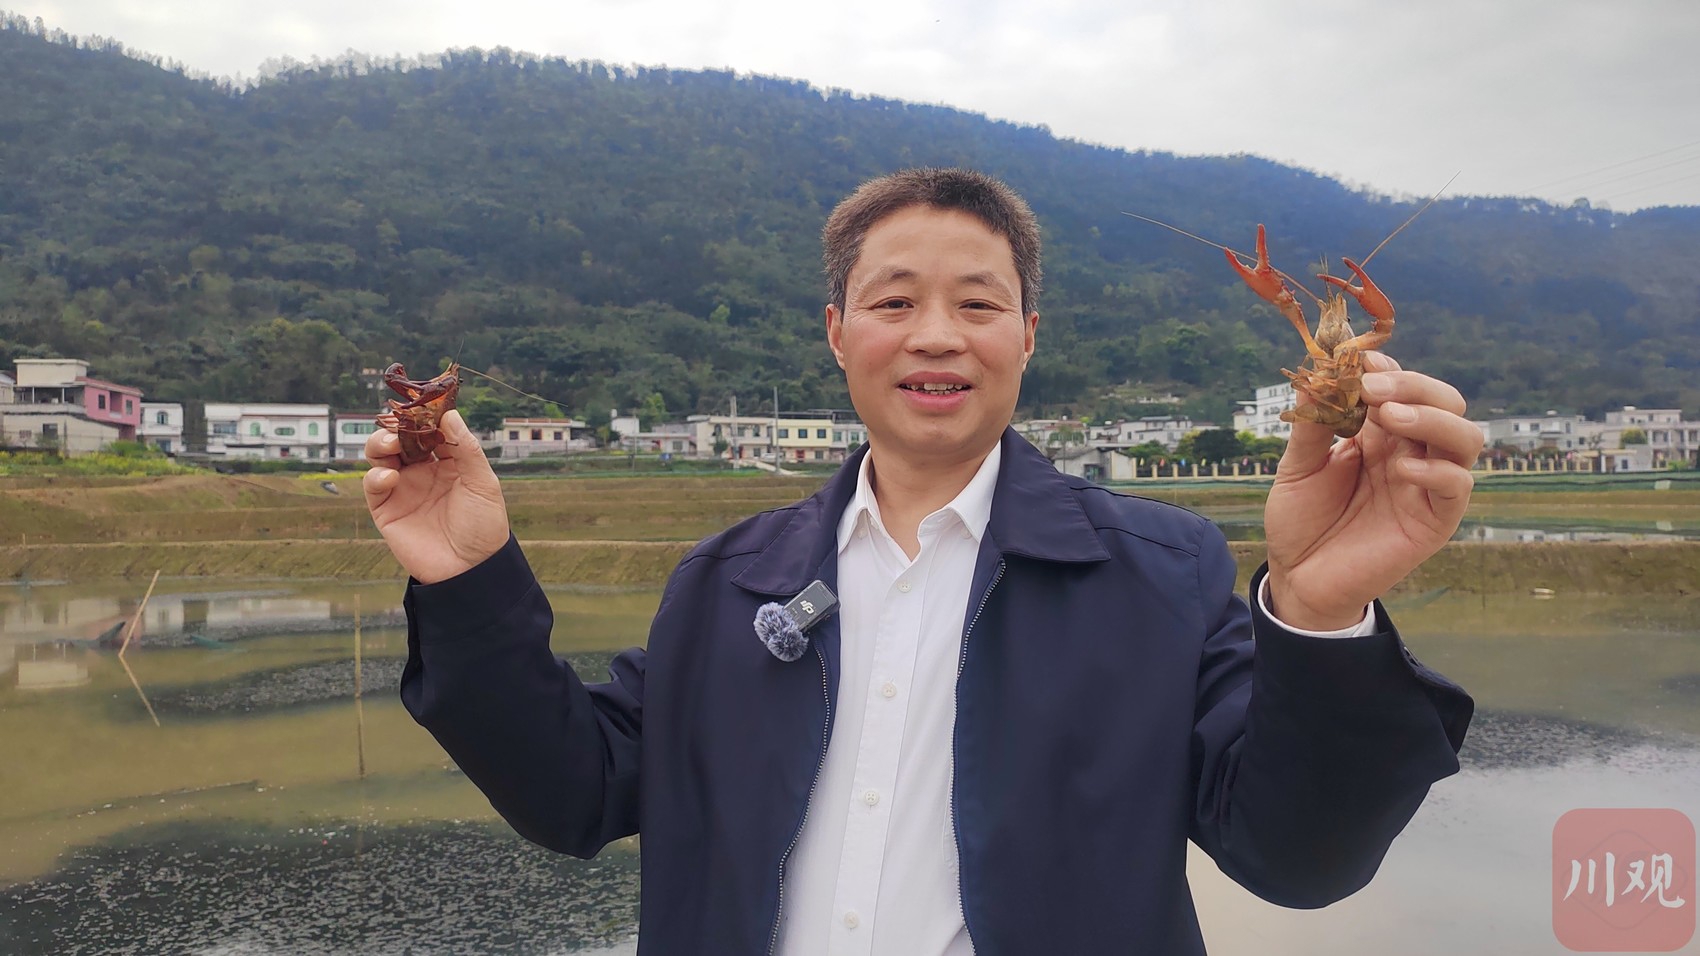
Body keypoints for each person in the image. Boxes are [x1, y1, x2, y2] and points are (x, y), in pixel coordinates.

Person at [364, 168, 1481, 955]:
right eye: (893, 301)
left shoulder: (1161, 571)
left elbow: (1297, 859)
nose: (936, 333)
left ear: (1028, 335)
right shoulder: (725, 580)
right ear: (837, 332)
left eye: (978, 304)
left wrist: (1319, 614)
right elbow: (572, 790)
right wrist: (467, 580)